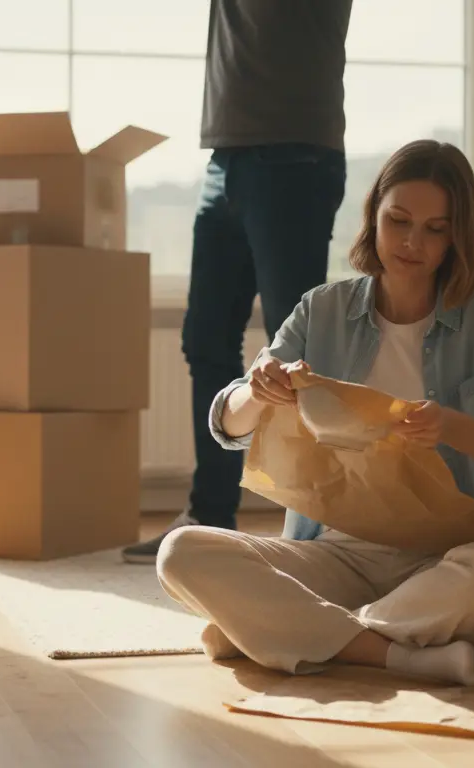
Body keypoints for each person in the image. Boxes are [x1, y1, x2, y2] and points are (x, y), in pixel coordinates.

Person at [154, 140, 474, 686]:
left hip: (443, 562)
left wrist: (453, 427)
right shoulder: (321, 310)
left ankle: (288, 632)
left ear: (457, 236)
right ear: (374, 216)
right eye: (399, 220)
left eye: (436, 228)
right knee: (181, 550)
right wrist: (256, 391)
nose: (413, 242)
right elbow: (227, 423)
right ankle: (396, 653)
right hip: (333, 556)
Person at [122, 0, 355, 564]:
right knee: (205, 339)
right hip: (225, 158)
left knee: (298, 353)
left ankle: (319, 531)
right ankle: (211, 514)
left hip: (295, 157)